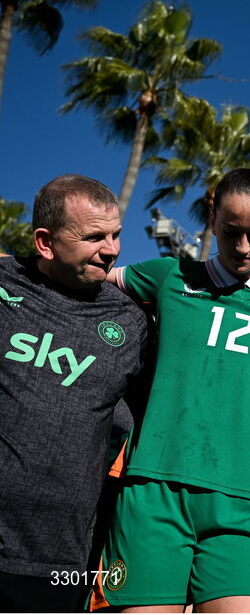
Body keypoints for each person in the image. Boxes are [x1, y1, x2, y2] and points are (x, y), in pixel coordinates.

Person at [90, 168, 250, 612]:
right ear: (211, 218)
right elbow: (83, 274)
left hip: (244, 500)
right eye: (231, 232)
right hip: (153, 488)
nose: (243, 247)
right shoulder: (167, 276)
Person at [0, 174, 148, 612]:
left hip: (63, 561)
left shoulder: (130, 322)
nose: (113, 249)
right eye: (94, 237)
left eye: (117, 234)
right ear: (45, 243)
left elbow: (167, 403)